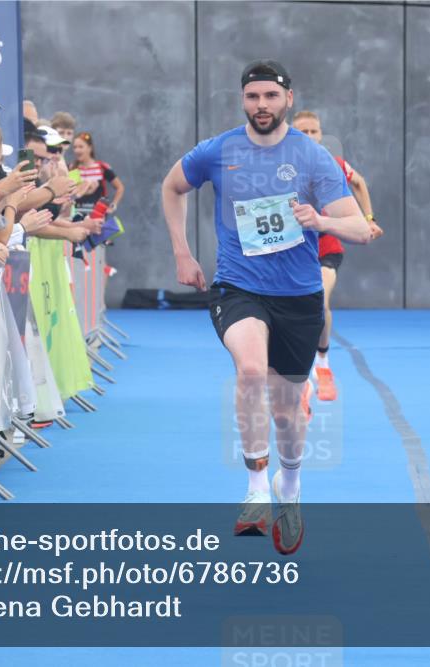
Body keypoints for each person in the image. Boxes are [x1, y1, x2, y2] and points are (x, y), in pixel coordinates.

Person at [161, 60, 371, 555]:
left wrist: (319, 219)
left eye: (270, 97)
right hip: (238, 286)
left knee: (286, 414)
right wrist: (182, 251)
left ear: (288, 100)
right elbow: (172, 187)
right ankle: (255, 488)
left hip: (298, 296)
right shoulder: (218, 150)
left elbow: (360, 228)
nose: (261, 106)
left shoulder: (314, 157)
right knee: (251, 369)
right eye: (253, 97)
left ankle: (289, 487)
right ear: (242, 100)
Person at [291, 110, 384, 401]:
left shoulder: (333, 165)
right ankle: (299, 377)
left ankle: (323, 365)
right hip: (291, 252)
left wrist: (367, 218)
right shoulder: (279, 167)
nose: (308, 138)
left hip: (326, 249)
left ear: (321, 135)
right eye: (302, 133)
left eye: (313, 132)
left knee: (318, 298)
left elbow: (358, 182)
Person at [70, 130, 124, 216]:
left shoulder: (102, 167)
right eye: (75, 147)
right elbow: (72, 193)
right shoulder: (73, 168)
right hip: (77, 215)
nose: (77, 150)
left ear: (90, 148)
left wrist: (113, 205)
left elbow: (120, 187)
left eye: (81, 147)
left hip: (97, 215)